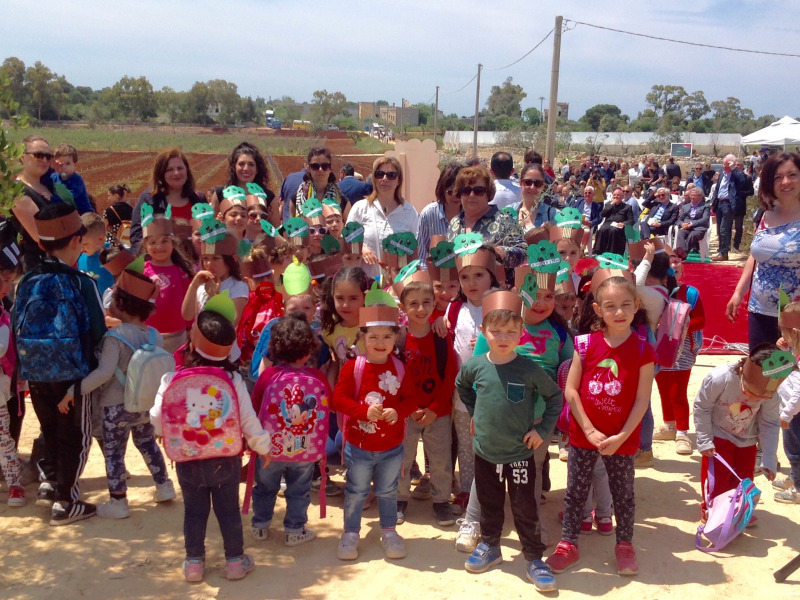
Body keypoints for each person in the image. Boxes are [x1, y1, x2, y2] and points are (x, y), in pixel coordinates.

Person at [151, 293, 272, 582]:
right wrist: (263, 447)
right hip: (224, 459)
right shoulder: (232, 380)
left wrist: (162, 433)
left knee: (194, 512)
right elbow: (248, 421)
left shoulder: (172, 379)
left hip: (187, 458)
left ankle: (194, 564)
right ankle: (234, 562)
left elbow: (157, 417)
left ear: (192, 342)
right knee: (228, 511)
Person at [546, 276, 655, 578]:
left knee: (623, 493)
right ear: (597, 309)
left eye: (625, 305)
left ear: (636, 307)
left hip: (623, 439)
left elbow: (642, 400)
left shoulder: (644, 350)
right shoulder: (585, 344)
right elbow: (571, 390)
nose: (618, 312)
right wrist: (589, 430)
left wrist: (622, 436)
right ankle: (568, 544)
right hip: (584, 436)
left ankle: (625, 545)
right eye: (610, 306)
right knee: (575, 492)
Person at [456, 291, 560, 592]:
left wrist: (542, 432)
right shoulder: (475, 365)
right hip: (486, 452)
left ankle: (533, 558)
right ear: (483, 331)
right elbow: (463, 386)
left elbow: (554, 398)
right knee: (489, 504)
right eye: (496, 331)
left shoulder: (528, 369)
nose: (503, 337)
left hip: (519, 454)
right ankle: (490, 546)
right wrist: (475, 413)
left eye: (511, 331)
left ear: (521, 332)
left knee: (524, 506)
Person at [12, 204, 107, 525]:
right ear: (78, 241)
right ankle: (66, 503)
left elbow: (16, 325)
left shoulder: (26, 282)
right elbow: (97, 330)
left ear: (41, 244)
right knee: (74, 437)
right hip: (72, 374)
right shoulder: (82, 282)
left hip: (35, 372)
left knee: (49, 428)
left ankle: (50, 482)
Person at [60, 262, 174, 518]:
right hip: (144, 404)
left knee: (114, 453)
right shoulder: (155, 335)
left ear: (122, 305)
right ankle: (164, 486)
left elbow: (103, 373)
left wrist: (75, 389)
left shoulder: (115, 338)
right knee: (147, 444)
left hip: (115, 407)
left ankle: (119, 501)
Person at [332, 296, 416, 561]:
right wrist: (362, 411)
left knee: (388, 491)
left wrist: (398, 412)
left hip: (392, 447)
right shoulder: (352, 368)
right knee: (356, 492)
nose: (380, 343)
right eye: (374, 337)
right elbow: (338, 400)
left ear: (395, 338)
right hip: (359, 447)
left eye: (387, 337)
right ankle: (350, 533)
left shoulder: (401, 369)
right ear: (362, 338)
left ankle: (389, 532)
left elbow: (411, 400)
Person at [250, 313, 332, 545]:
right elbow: (329, 404)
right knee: (299, 489)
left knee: (265, 486)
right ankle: (295, 530)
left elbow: (256, 407)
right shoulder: (316, 376)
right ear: (309, 350)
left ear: (275, 349)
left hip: (270, 447)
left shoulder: (268, 376)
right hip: (304, 449)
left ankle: (260, 525)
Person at [395, 276, 458, 527]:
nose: (420, 309)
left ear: (434, 305)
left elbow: (450, 374)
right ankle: (399, 498)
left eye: (426, 303)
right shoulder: (397, 339)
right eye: (413, 304)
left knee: (441, 458)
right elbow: (393, 377)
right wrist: (407, 408)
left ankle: (441, 501)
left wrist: (434, 409)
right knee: (402, 457)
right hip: (406, 412)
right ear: (403, 307)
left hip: (437, 411)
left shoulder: (441, 337)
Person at [694, 343, 783, 520]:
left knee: (744, 480)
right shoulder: (720, 378)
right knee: (717, 478)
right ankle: (712, 512)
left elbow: (770, 423)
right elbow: (702, 407)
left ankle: (739, 512)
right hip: (718, 434)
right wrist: (704, 440)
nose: (753, 398)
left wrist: (769, 459)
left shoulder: (772, 392)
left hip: (748, 437)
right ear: (742, 372)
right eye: (750, 392)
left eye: (760, 397)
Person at [726, 153, 800, 349]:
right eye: (778, 177)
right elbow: (756, 256)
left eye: (792, 174)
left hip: (795, 314)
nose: (785, 182)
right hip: (760, 310)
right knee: (761, 373)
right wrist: (738, 292)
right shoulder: (766, 213)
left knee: (790, 374)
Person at [346, 156, 419, 279]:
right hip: (364, 282)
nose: (384, 179)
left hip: (396, 285)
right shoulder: (360, 208)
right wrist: (362, 249)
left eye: (391, 175)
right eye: (380, 174)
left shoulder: (409, 212)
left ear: (398, 180)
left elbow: (415, 251)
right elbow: (346, 239)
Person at [182, 228, 249, 360]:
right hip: (198, 351)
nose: (209, 264)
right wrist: (193, 285)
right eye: (205, 258)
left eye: (216, 259)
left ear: (231, 260)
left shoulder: (238, 286)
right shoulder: (201, 285)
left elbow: (231, 322)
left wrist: (214, 297)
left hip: (223, 354)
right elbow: (187, 315)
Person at [447, 164, 526, 273]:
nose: (471, 195)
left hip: (495, 288)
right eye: (466, 190)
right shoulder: (454, 223)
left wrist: (498, 253)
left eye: (478, 191)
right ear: (459, 194)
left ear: (488, 193)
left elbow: (524, 253)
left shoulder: (505, 221)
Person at [130, 148, 205, 254]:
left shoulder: (199, 199)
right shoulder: (149, 199)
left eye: (180, 168)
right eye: (169, 169)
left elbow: (208, 233)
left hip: (195, 263)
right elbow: (137, 236)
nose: (176, 173)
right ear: (161, 174)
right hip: (161, 263)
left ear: (187, 171)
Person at [141, 215, 195, 354]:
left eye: (164, 241)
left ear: (173, 243)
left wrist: (191, 328)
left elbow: (190, 302)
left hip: (178, 336)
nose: (158, 247)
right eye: (152, 242)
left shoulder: (182, 270)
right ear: (145, 246)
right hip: (148, 335)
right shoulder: (141, 270)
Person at [11, 136, 63, 272]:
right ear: (22, 157)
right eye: (38, 155)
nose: (45, 160)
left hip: (58, 263)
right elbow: (41, 236)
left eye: (48, 156)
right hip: (37, 267)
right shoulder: (17, 191)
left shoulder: (50, 187)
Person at [0, 242, 23, 507]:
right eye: (4, 280)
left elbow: (5, 348)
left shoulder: (4, 312)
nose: (8, 287)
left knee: (4, 436)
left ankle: (14, 485)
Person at [209, 142, 279, 228]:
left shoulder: (268, 196)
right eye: (241, 164)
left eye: (251, 164)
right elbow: (208, 226)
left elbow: (276, 230)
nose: (246, 169)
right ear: (234, 167)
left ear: (257, 169)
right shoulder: (221, 193)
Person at [774, 301, 800, 503]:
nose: (781, 337)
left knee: (795, 451)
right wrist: (784, 348)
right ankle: (795, 477)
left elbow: (799, 392)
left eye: (784, 333)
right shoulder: (795, 350)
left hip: (795, 414)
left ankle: (798, 489)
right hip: (793, 410)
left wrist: (787, 414)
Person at [416, 163, 463, 266]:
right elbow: (421, 255)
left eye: (459, 192)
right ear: (442, 190)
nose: (456, 197)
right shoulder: (429, 214)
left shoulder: (471, 214)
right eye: (451, 192)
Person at [709, 154, 747, 261]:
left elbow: (742, 180)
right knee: (719, 229)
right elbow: (718, 188)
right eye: (724, 163)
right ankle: (722, 250)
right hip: (719, 203)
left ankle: (724, 253)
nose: (724, 165)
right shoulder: (722, 174)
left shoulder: (735, 174)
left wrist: (733, 169)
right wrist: (713, 202)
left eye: (726, 164)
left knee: (724, 229)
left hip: (728, 204)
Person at [78, 212, 115, 297]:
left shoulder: (112, 256)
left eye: (85, 243)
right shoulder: (81, 257)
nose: (81, 247)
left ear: (100, 239)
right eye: (79, 243)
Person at [52, 144, 93, 214]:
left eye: (68, 163)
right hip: (68, 213)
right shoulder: (54, 177)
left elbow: (70, 197)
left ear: (75, 165)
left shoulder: (77, 180)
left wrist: (52, 199)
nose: (64, 167)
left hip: (83, 214)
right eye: (60, 164)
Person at [512, 163, 556, 229]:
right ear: (521, 184)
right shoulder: (508, 212)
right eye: (528, 182)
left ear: (543, 187)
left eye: (538, 183)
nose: (532, 187)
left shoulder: (553, 215)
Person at [594, 188, 633, 256]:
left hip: (619, 225)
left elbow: (631, 220)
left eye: (618, 195)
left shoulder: (627, 207)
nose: (615, 197)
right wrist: (611, 205)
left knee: (613, 230)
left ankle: (613, 252)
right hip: (608, 223)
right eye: (614, 195)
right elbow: (603, 214)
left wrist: (623, 223)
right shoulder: (608, 204)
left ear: (622, 196)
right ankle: (599, 251)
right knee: (602, 229)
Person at [674, 187, 711, 255]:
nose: (692, 197)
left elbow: (705, 219)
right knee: (681, 233)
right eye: (691, 195)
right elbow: (679, 219)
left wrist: (691, 224)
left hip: (699, 228)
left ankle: (682, 253)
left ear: (700, 197)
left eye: (695, 195)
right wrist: (682, 224)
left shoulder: (705, 206)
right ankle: (682, 253)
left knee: (692, 235)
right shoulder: (685, 206)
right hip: (686, 227)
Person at [732, 158, 755, 253]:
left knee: (738, 227)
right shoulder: (730, 177)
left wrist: (741, 193)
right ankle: (724, 247)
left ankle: (736, 246)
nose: (737, 167)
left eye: (739, 165)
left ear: (742, 167)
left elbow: (751, 191)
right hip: (729, 205)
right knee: (726, 226)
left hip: (740, 205)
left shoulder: (747, 178)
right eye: (735, 165)